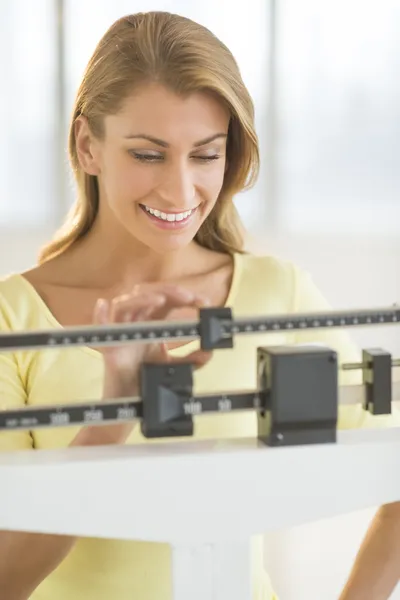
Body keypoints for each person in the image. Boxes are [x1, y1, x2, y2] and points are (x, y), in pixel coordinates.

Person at [0, 11, 398, 600]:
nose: (181, 191)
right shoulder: (13, 319)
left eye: (206, 155)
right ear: (88, 145)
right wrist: (111, 419)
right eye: (148, 154)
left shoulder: (277, 295)